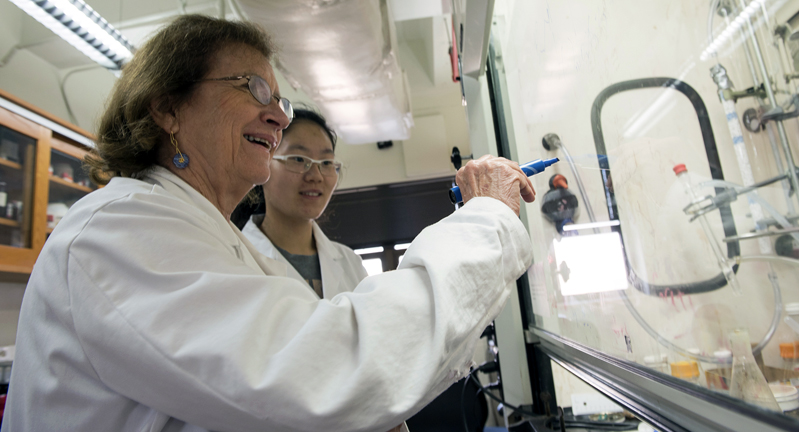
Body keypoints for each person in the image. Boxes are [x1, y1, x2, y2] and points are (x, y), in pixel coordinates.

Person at [2, 14, 536, 432]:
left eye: (278, 99)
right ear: (167, 109)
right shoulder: (118, 229)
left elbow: (348, 382)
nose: (279, 116)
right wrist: (486, 217)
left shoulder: (220, 241)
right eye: (253, 90)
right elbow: (329, 372)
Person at [234, 108, 367, 300]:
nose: (315, 175)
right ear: (264, 165)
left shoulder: (350, 263)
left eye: (326, 162)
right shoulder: (237, 259)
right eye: (298, 159)